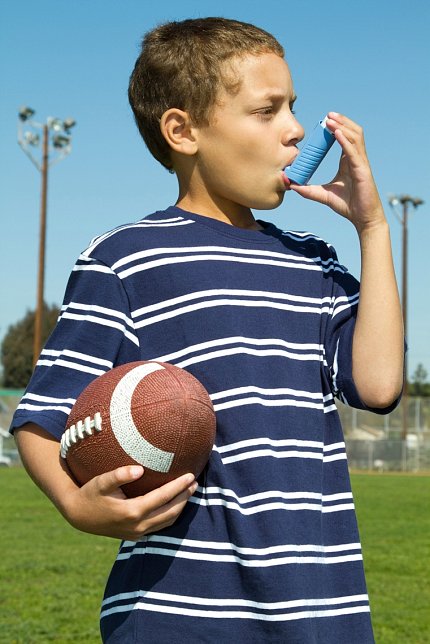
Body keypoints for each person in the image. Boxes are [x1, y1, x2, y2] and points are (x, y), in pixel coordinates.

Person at [11, 17, 404, 643]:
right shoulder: (126, 260)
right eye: (266, 110)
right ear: (183, 130)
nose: (296, 129)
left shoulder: (314, 263)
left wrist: (374, 230)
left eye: (293, 108)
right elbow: (42, 417)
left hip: (323, 615)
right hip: (175, 616)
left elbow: (379, 385)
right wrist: (76, 505)